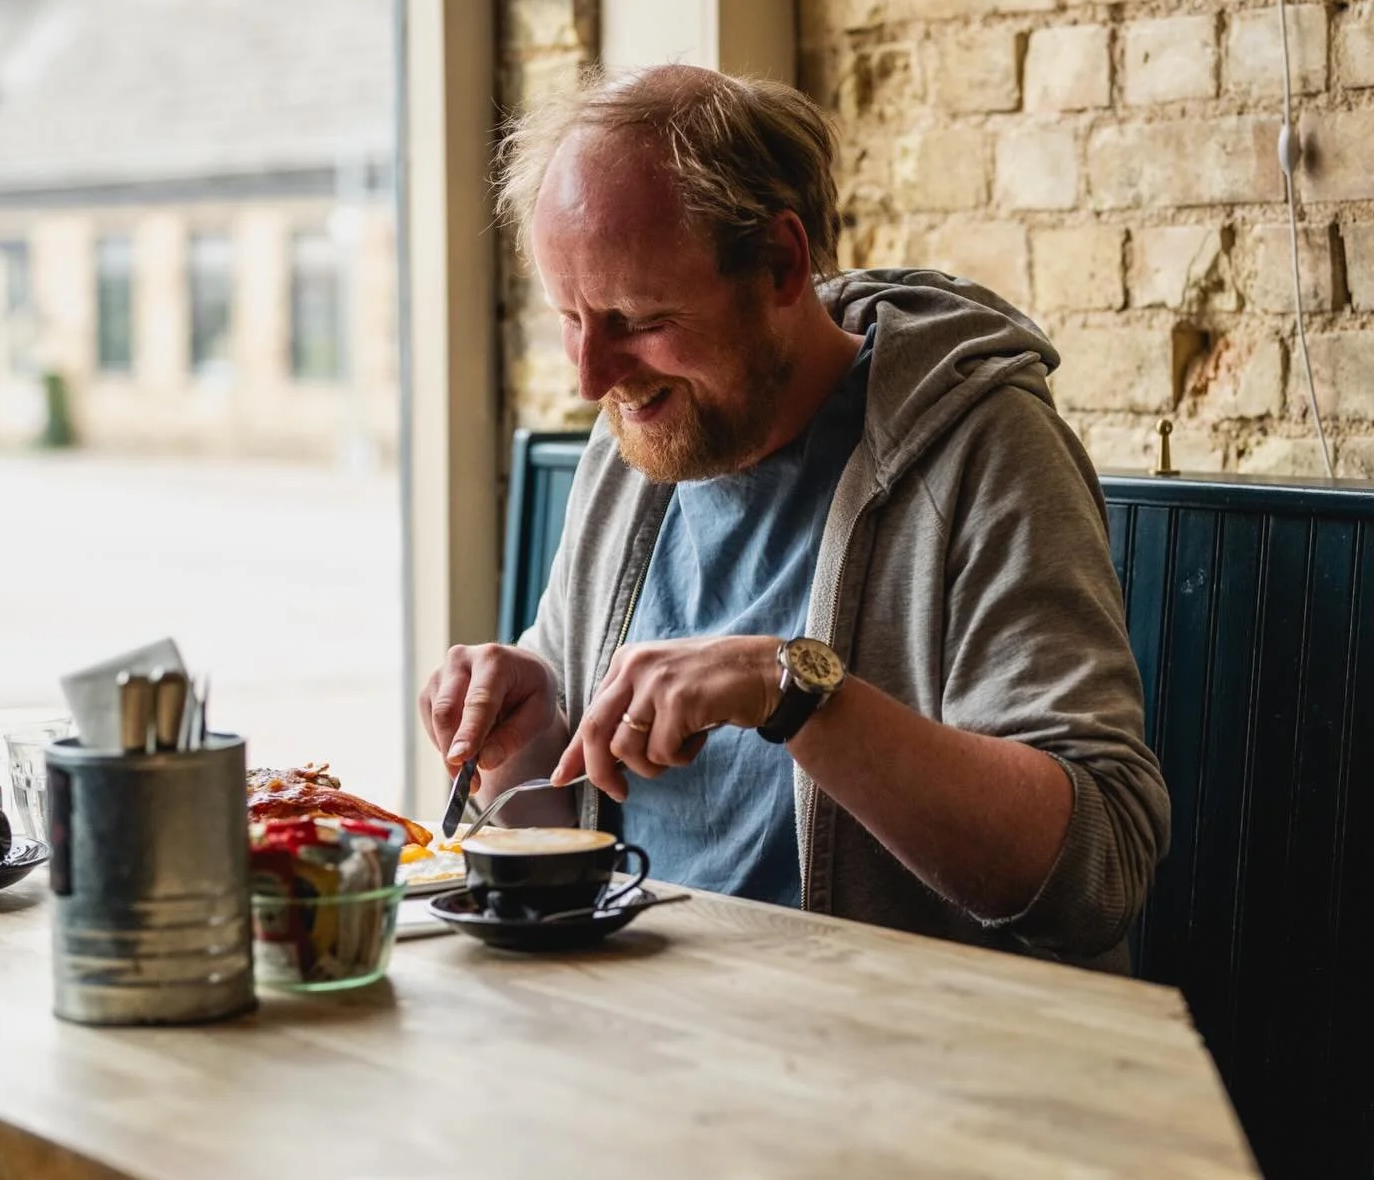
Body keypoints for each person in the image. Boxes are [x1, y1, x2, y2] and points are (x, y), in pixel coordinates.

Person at [421, 65, 1169, 968]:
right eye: (570, 318)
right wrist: (525, 732)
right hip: (644, 1033)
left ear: (782, 262)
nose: (592, 376)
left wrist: (792, 690)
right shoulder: (635, 435)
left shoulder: (984, 447)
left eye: (639, 317)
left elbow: (1098, 872)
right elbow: (566, 838)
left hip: (893, 1055)